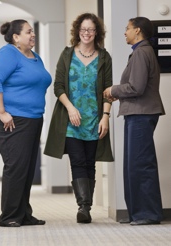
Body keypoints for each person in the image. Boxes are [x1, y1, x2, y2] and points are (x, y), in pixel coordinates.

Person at [44, 13, 114, 224]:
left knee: (90, 162)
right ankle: (83, 207)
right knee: (78, 160)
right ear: (77, 31)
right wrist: (71, 108)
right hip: (71, 120)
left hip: (94, 119)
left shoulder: (104, 57)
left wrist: (105, 116)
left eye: (91, 30)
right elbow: (58, 87)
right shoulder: (67, 55)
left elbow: (108, 90)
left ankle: (87, 206)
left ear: (97, 33)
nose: (86, 33)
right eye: (83, 29)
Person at [0, 19, 52, 227]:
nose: (33, 35)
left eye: (33, 31)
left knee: (27, 168)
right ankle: (9, 216)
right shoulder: (9, 53)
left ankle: (23, 213)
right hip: (12, 120)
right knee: (16, 166)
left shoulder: (34, 56)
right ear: (16, 37)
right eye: (28, 32)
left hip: (32, 119)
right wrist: (2, 112)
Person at [103, 17, 165, 226]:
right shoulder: (141, 52)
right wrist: (119, 93)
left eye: (127, 28)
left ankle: (147, 214)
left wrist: (114, 90)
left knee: (140, 164)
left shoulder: (141, 53)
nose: (125, 32)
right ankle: (139, 213)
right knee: (134, 165)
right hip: (137, 113)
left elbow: (136, 87)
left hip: (141, 113)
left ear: (137, 30)